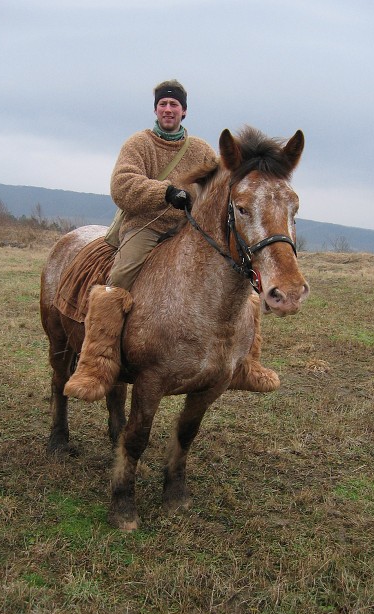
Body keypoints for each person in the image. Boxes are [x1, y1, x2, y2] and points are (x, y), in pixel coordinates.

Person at [64, 80, 280, 401]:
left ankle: (247, 361)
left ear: (184, 111)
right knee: (120, 277)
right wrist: (164, 192)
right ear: (155, 110)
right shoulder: (138, 145)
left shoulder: (202, 151)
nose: (168, 109)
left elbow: (224, 187)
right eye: (163, 104)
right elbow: (122, 185)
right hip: (144, 228)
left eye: (174, 105)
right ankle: (97, 361)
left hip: (188, 231)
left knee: (237, 279)